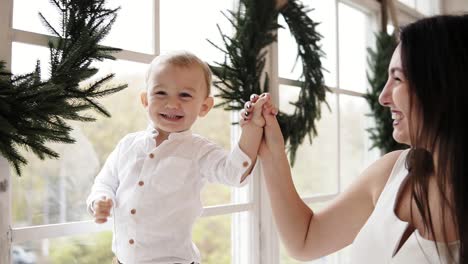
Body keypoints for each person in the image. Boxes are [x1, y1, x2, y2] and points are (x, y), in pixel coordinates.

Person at [242, 14, 467, 263]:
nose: (383, 96)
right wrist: (271, 151)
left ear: (442, 87)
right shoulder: (392, 172)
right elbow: (305, 240)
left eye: (398, 78)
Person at [86, 50, 270, 264]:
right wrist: (100, 200)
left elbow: (234, 173)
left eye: (185, 95)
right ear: (146, 100)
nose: (172, 104)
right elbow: (104, 183)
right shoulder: (127, 145)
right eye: (161, 93)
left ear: (204, 106)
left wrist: (252, 128)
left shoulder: (199, 151)